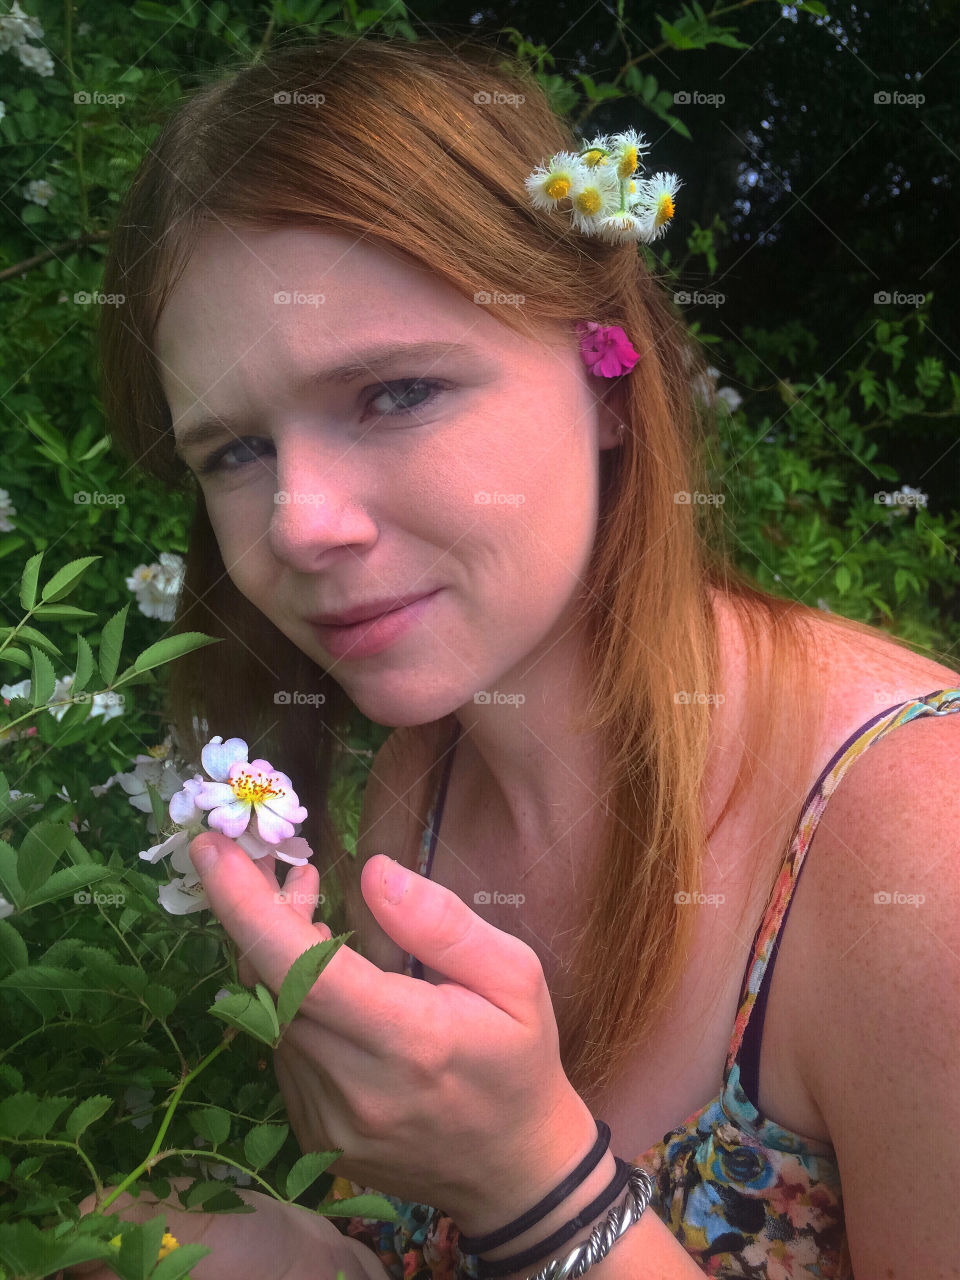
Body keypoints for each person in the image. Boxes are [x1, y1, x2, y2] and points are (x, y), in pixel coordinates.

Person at [75, 30, 960, 1280]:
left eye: (394, 393)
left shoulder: (921, 856)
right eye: (232, 449)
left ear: (607, 370)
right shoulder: (417, 783)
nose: (296, 522)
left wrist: (534, 1186)